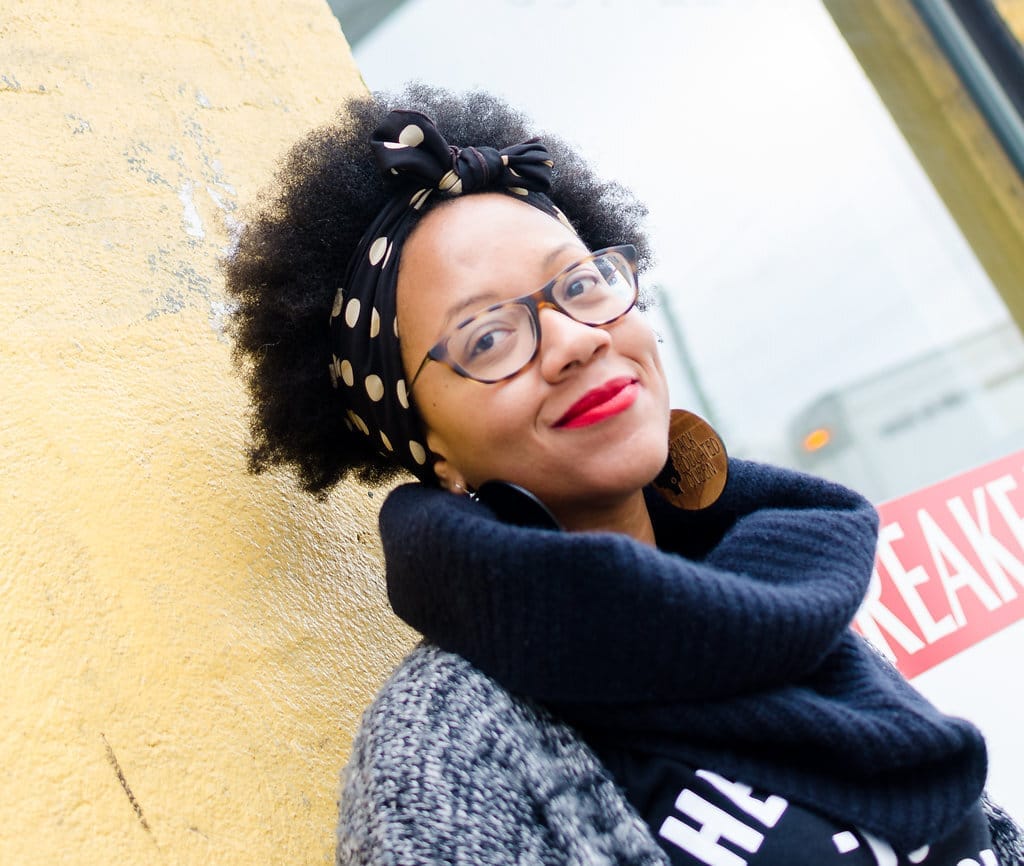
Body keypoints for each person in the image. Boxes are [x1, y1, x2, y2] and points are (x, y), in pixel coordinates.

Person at [224, 84, 1024, 866]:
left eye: (580, 285)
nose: (574, 339)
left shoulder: (790, 597)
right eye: (489, 337)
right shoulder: (451, 749)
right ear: (431, 448)